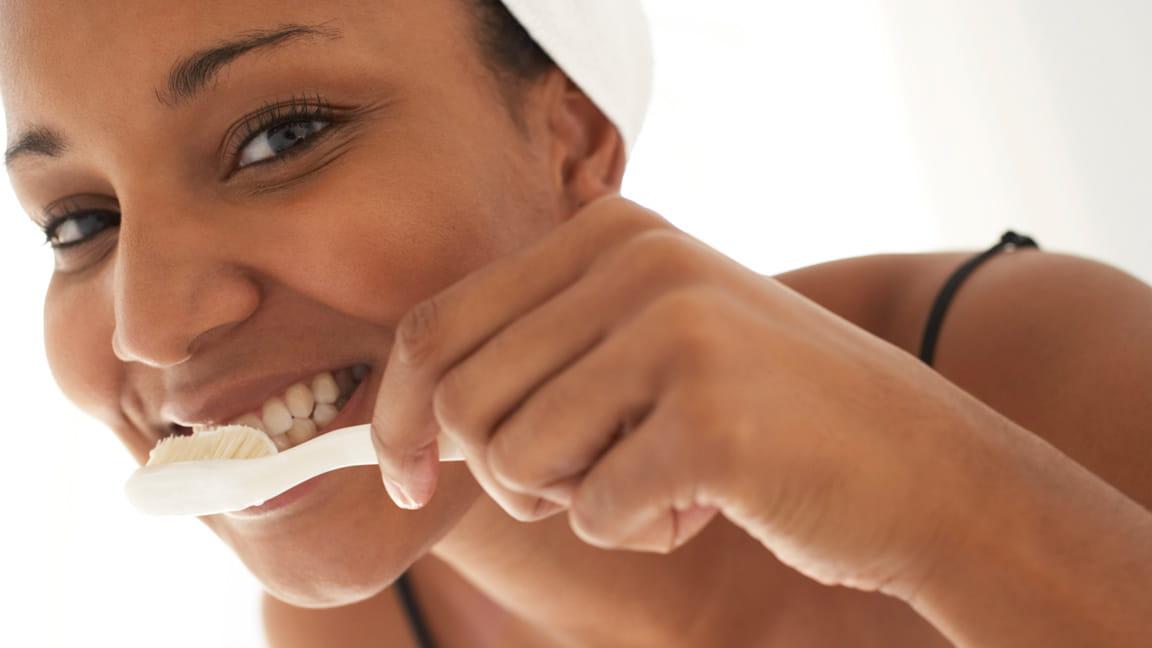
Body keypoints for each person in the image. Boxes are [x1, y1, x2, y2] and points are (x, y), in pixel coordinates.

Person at [3, 1, 1150, 646]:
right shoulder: (357, 635)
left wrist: (947, 514)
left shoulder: (1033, 365)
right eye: (78, 223)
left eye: (279, 138)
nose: (149, 322)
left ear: (573, 135)